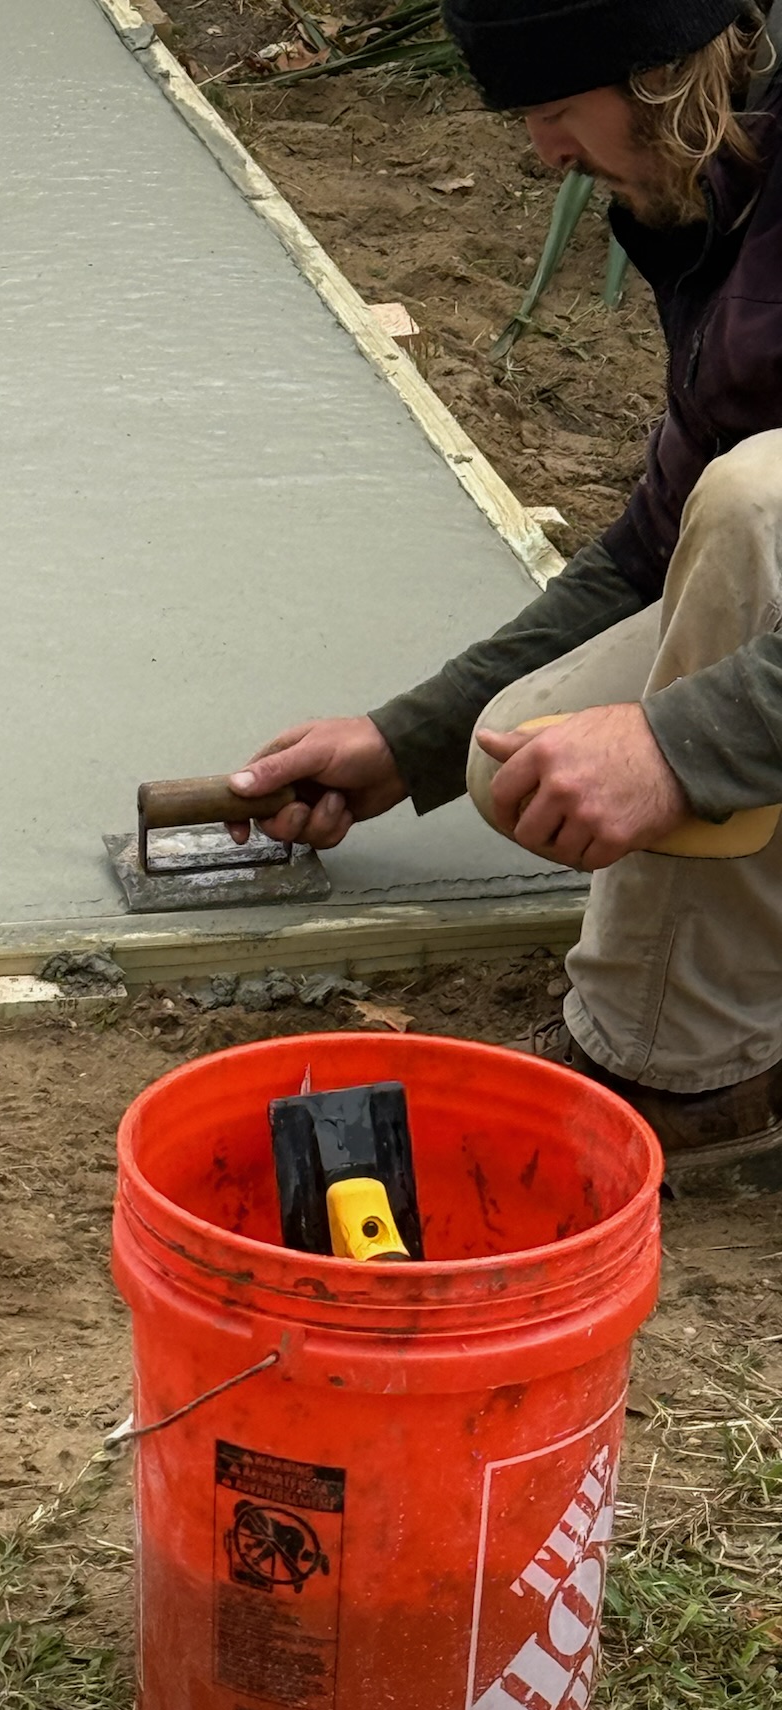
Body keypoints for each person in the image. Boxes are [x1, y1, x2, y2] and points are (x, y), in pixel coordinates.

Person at [228, 0, 782, 1181]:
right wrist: (404, 740)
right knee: (512, 755)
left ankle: (693, 1068)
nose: (545, 154)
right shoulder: (723, 186)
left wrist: (682, 745)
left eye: (554, 109)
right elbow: (652, 542)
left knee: (762, 503)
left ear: (652, 66)